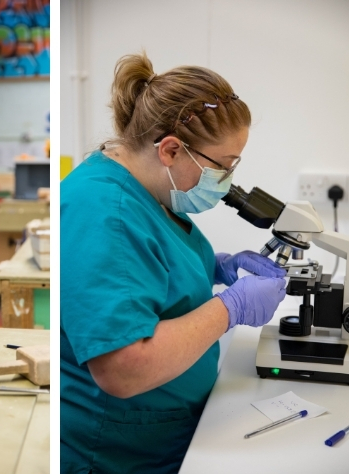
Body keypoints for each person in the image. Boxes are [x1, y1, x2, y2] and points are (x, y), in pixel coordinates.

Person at [60, 52, 287, 473]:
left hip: (163, 433)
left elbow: (147, 269)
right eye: (224, 166)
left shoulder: (149, 189)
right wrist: (230, 307)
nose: (228, 181)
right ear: (170, 150)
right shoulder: (104, 209)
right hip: (115, 450)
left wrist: (217, 266)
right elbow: (122, 369)